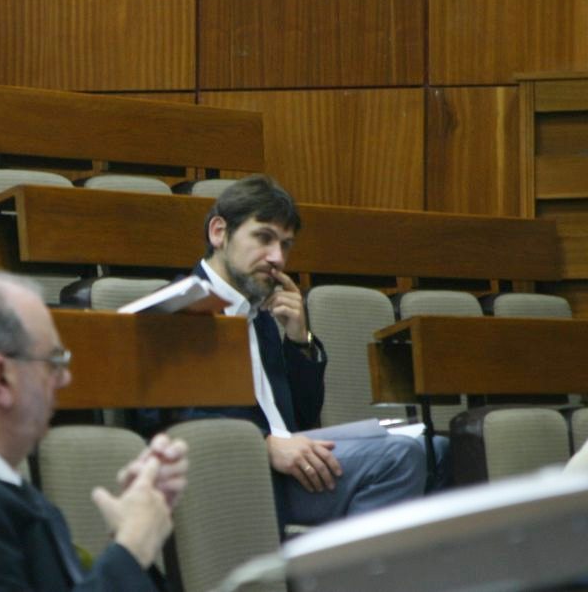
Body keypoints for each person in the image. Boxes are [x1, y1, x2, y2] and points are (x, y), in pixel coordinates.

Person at [0, 272, 188, 592]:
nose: (65, 378)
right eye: (54, 361)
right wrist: (132, 548)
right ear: (1, 379)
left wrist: (127, 537)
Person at [178, 174, 426, 528]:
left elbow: (304, 415)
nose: (277, 258)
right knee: (399, 457)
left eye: (286, 245)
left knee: (436, 450)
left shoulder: (259, 311)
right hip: (243, 474)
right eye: (264, 238)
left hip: (290, 456)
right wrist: (264, 444)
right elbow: (175, 420)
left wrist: (298, 339)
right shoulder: (179, 309)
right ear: (219, 233)